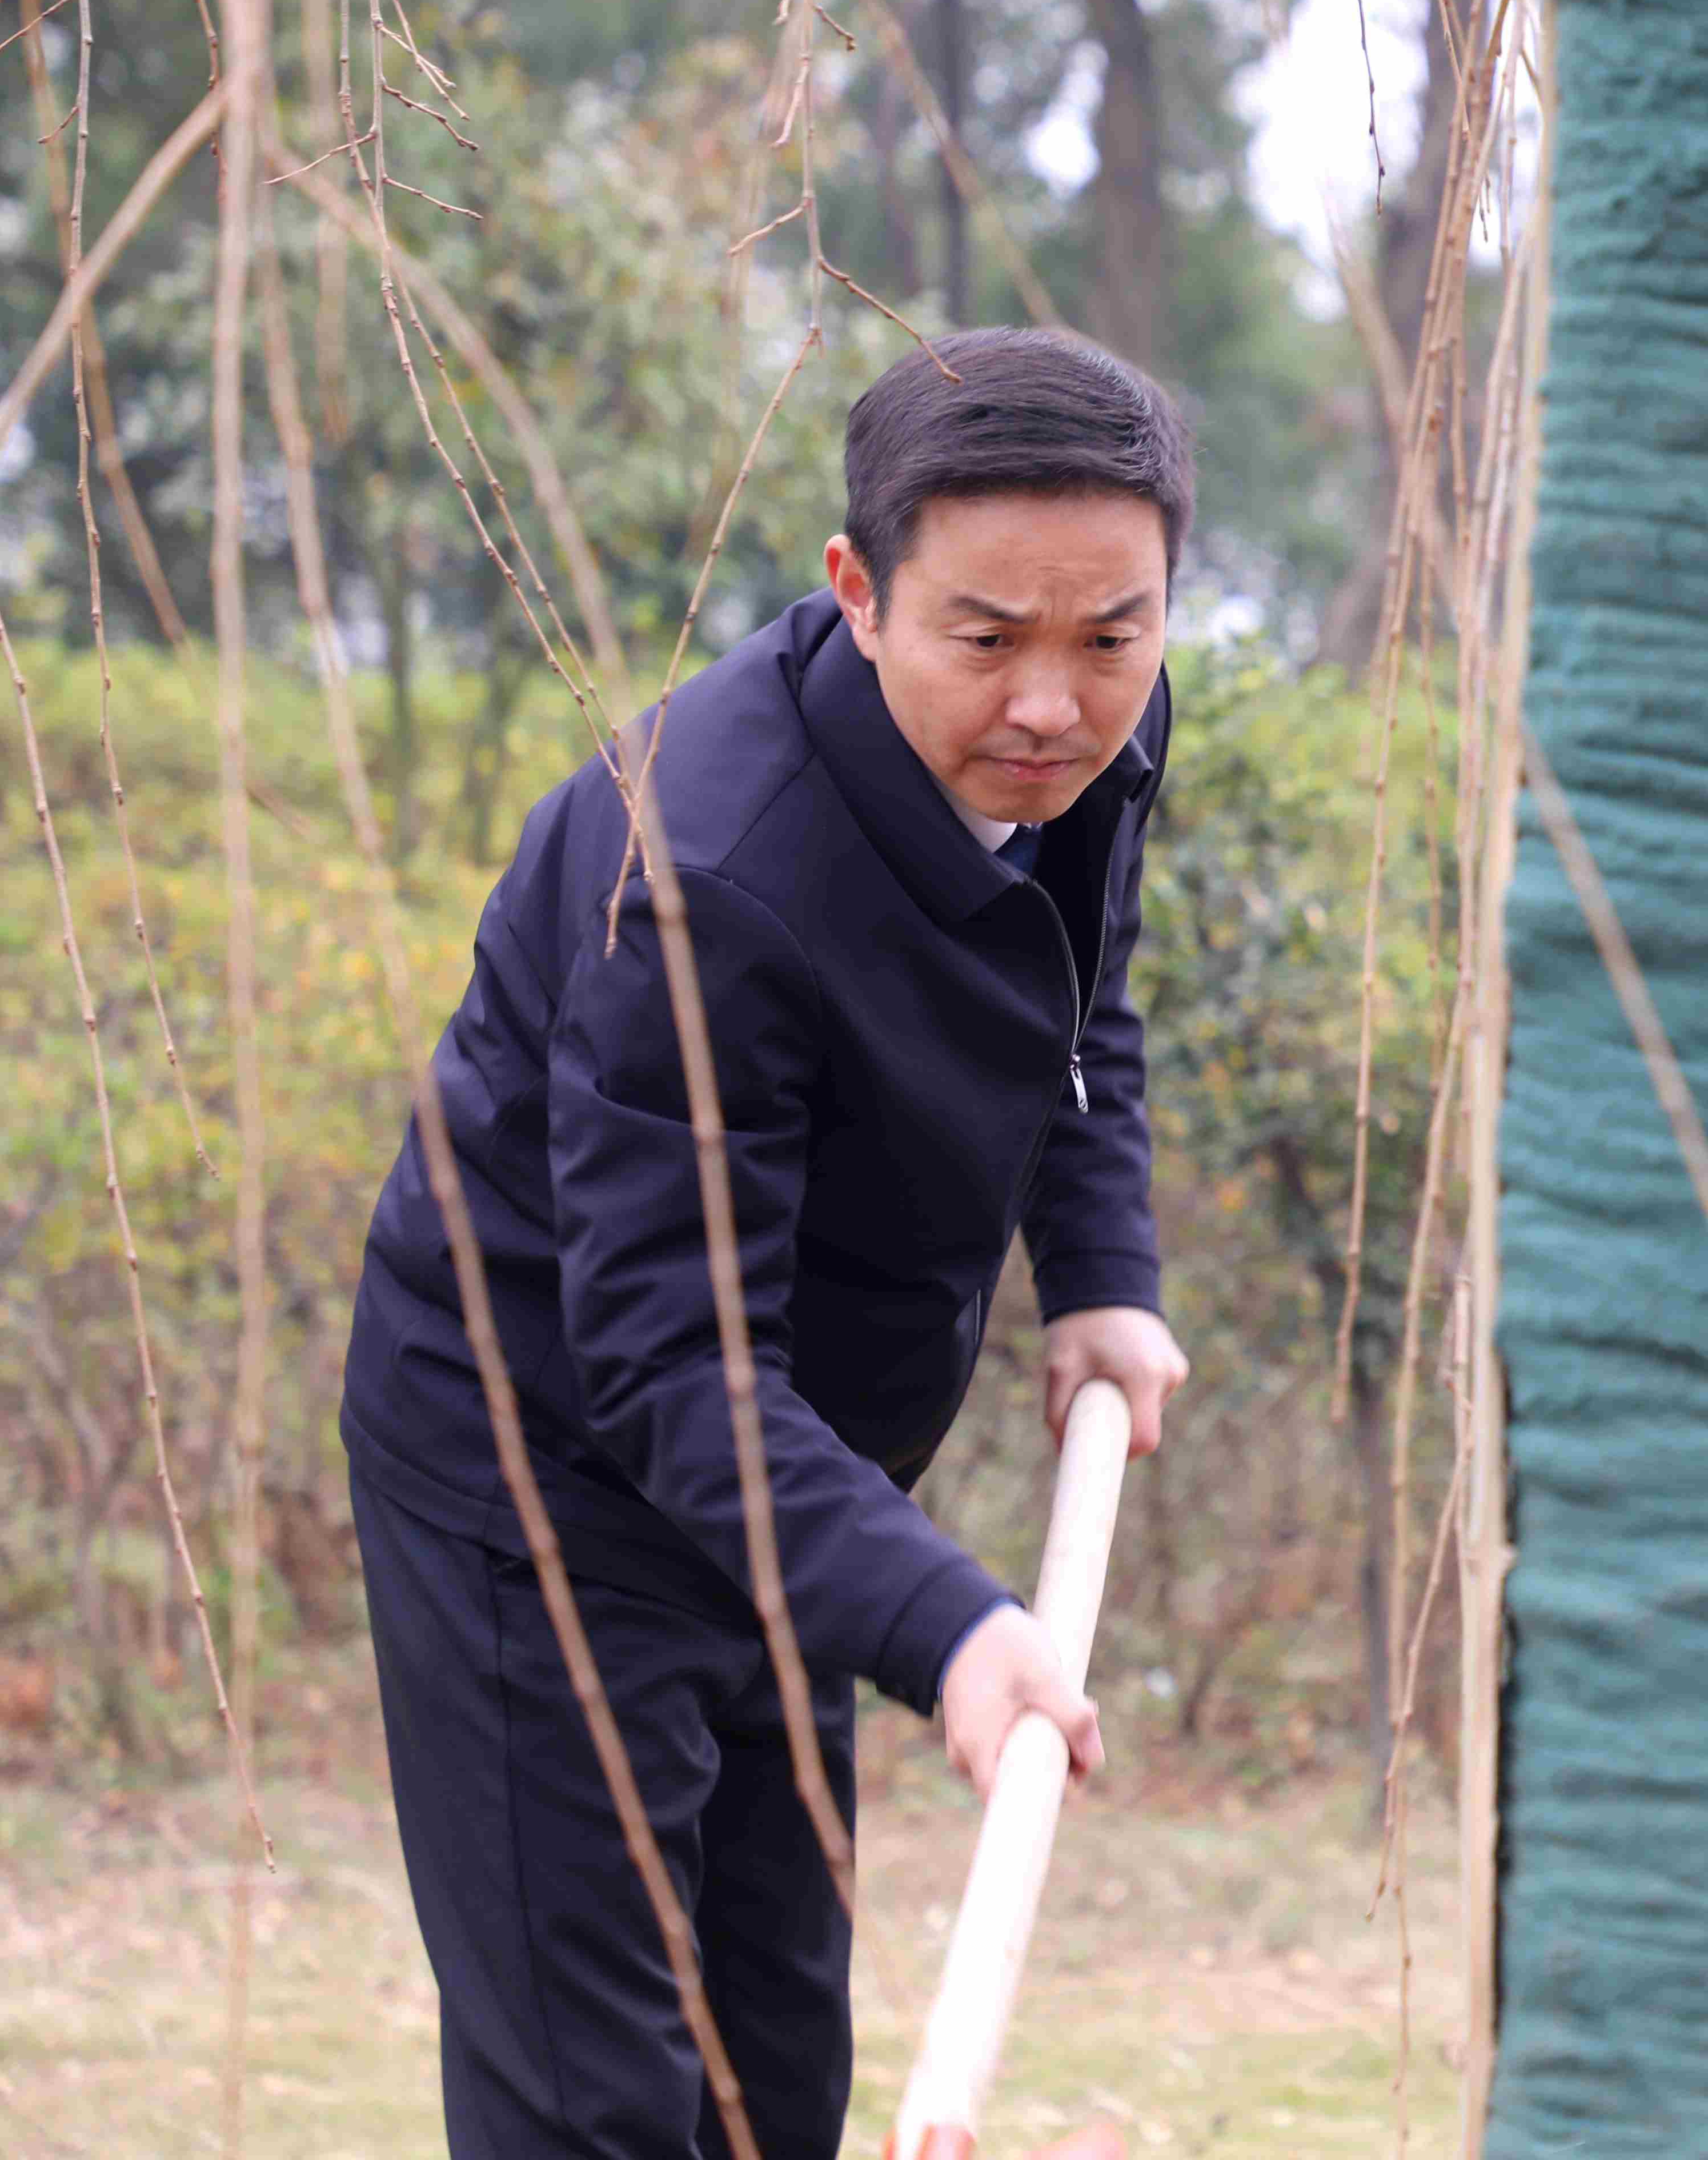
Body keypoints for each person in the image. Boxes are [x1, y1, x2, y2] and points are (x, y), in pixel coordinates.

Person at [343, 328, 1200, 2158]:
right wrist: (956, 1626)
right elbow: (666, 1366)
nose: (1051, 701)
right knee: (599, 2096)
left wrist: (1103, 1271)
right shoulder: (713, 874)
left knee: (771, 2067)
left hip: (797, 1468)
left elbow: (1080, 1002)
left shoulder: (1092, 744)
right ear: (857, 590)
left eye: (1108, 638)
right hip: (546, 1463)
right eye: (988, 639)